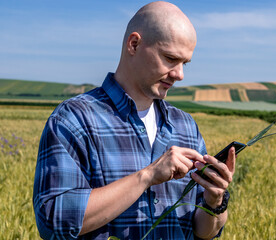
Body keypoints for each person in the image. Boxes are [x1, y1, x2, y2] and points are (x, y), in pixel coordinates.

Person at [33, 1, 236, 239]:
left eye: (185, 64)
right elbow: (54, 220)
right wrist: (147, 176)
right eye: (170, 58)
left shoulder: (185, 126)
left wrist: (215, 202)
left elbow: (204, 233)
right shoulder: (74, 119)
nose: (180, 75)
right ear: (134, 44)